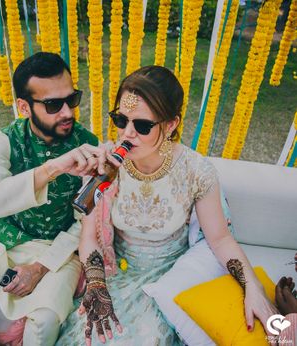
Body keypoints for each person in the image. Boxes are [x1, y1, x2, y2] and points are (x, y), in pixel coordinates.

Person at [56, 65, 278, 345]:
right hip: (117, 274)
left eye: (143, 125)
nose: (127, 133)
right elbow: (88, 237)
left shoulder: (196, 170)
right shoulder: (107, 164)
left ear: (171, 124)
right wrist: (97, 286)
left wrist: (253, 289)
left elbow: (220, 240)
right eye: (120, 120)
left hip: (170, 278)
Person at [0, 52, 119, 346]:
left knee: (46, 320)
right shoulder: (3, 140)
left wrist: (41, 268)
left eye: (71, 99)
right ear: (24, 106)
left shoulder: (89, 146)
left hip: (57, 249)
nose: (67, 113)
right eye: (53, 104)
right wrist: (53, 168)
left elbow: (86, 223)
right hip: (2, 239)